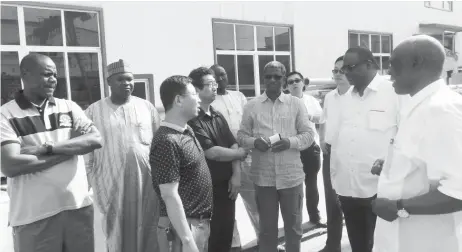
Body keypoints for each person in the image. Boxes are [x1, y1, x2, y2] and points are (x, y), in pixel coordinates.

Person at [0, 53, 102, 252]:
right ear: (25, 75)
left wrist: (46, 148)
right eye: (47, 74)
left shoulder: (69, 107)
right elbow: (11, 165)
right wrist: (71, 149)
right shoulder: (6, 115)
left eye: (55, 75)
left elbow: (95, 139)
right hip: (34, 217)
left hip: (77, 210)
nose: (54, 79)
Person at [372, 35, 462, 252]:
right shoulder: (419, 104)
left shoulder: (439, 110)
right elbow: (425, 161)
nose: (388, 72)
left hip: (424, 242)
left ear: (417, 62)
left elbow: (457, 191)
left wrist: (397, 206)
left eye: (393, 64)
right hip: (402, 239)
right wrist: (396, 165)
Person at [332, 47, 405, 252]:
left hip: (379, 190)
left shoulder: (394, 92)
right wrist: (336, 181)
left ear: (371, 64)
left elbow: (406, 139)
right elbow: (338, 142)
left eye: (350, 67)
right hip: (349, 189)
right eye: (343, 68)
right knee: (359, 246)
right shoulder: (346, 98)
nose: (345, 72)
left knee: (384, 246)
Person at [84, 59, 161, 252]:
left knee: (149, 225)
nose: (127, 83)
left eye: (130, 79)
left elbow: (159, 144)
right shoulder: (93, 111)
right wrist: (88, 180)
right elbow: (87, 152)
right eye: (120, 79)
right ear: (109, 82)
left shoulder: (147, 107)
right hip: (110, 181)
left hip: (147, 181)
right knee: (117, 229)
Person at [238, 61, 314, 252]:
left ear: (284, 79)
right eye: (268, 76)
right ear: (263, 78)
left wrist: (289, 142)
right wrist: (254, 142)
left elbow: (308, 135)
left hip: (291, 178)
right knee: (267, 231)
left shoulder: (296, 104)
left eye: (277, 76)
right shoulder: (251, 106)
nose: (272, 80)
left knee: (294, 229)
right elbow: (241, 136)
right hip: (264, 179)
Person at [187, 67, 248, 252]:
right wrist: (240, 154)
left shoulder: (217, 115)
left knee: (224, 237)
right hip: (204, 191)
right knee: (208, 241)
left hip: (227, 188)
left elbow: (233, 144)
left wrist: (236, 175)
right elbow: (211, 152)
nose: (215, 87)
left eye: (215, 83)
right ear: (196, 89)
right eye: (210, 84)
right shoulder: (192, 119)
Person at [151, 75, 213, 252]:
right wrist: (187, 240)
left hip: (197, 224)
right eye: (194, 94)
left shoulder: (186, 130)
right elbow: (169, 194)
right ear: (178, 100)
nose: (199, 99)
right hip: (183, 230)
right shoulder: (166, 141)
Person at [210, 64, 260, 249]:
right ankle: (234, 245)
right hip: (224, 159)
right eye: (216, 78)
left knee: (255, 201)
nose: (221, 79)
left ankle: (264, 241)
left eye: (223, 74)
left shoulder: (238, 96)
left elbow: (249, 123)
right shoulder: (208, 103)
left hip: (246, 156)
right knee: (228, 206)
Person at [316, 56, 350, 252]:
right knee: (332, 201)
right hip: (331, 153)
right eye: (335, 70)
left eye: (341, 70)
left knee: (355, 202)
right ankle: (333, 244)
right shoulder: (329, 97)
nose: (337, 74)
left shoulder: (358, 96)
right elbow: (323, 121)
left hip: (352, 156)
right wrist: (322, 140)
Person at [286, 71, 324, 226]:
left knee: (312, 184)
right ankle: (295, 220)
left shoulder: (311, 100)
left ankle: (315, 217)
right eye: (290, 82)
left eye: (297, 80)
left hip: (310, 147)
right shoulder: (283, 102)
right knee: (294, 187)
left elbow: (321, 118)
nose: (294, 83)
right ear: (287, 86)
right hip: (292, 148)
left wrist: (308, 116)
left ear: (303, 83)